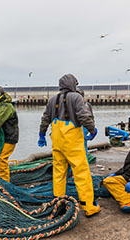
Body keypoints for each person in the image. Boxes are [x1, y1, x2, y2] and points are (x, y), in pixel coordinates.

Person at [38, 74, 100, 217]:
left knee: (59, 172)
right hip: (72, 140)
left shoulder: (52, 99)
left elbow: (45, 118)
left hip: (57, 140)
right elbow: (84, 116)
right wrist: (92, 129)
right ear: (73, 84)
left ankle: (58, 203)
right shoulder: (76, 97)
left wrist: (42, 134)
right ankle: (89, 206)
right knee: (81, 173)